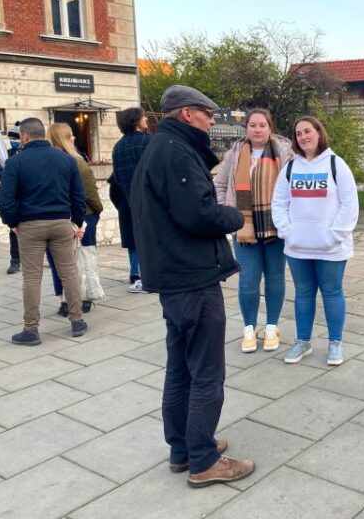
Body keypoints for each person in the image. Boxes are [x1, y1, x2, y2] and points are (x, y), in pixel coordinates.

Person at [130, 85, 254, 488]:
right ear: (186, 114)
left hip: (175, 276)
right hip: (191, 277)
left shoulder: (162, 147)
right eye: (206, 114)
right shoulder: (175, 151)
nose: (211, 120)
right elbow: (198, 214)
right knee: (205, 372)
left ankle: (183, 448)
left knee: (181, 368)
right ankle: (202, 459)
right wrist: (234, 216)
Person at [271, 116, 359, 366]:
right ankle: (302, 341)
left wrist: (335, 235)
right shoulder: (290, 167)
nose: (303, 137)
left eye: (307, 131)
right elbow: (278, 203)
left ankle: (335, 343)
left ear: (319, 133)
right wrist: (288, 232)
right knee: (303, 294)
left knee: (332, 293)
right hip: (298, 247)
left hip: (331, 248)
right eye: (298, 133)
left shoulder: (336, 164)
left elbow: (349, 205)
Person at [0, 117, 87, 345]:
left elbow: (5, 199)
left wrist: (12, 223)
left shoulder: (16, 162)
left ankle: (31, 330)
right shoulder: (66, 159)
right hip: (60, 222)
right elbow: (78, 195)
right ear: (42, 134)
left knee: (32, 277)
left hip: (30, 225)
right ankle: (77, 321)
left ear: (25, 136)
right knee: (68, 272)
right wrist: (76, 221)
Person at [214, 108, 294, 353]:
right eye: (253, 125)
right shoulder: (234, 153)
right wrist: (225, 212)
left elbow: (293, 187)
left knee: (275, 278)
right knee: (248, 280)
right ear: (245, 128)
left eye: (262, 125)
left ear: (270, 128)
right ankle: (249, 327)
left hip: (275, 228)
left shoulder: (285, 152)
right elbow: (219, 184)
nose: (257, 129)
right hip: (243, 227)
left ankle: (271, 326)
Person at [44, 123, 105, 315]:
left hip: (56, 216)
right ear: (64, 138)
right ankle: (84, 296)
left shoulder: (46, 161)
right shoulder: (76, 161)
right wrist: (98, 209)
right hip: (82, 215)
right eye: (70, 135)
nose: (74, 138)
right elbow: (89, 192)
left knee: (59, 260)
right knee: (84, 257)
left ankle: (64, 300)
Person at [111, 106, 152, 293]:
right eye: (143, 117)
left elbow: (116, 178)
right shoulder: (148, 142)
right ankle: (146, 277)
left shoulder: (118, 147)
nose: (146, 119)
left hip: (126, 199)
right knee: (147, 238)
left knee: (133, 238)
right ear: (136, 120)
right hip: (148, 199)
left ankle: (136, 274)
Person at [0, 122, 22, 274]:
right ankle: (15, 261)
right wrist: (9, 173)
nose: (13, 140)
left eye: (16, 137)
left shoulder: (26, 153)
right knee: (14, 232)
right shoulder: (6, 155)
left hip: (26, 198)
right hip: (13, 199)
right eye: (11, 137)